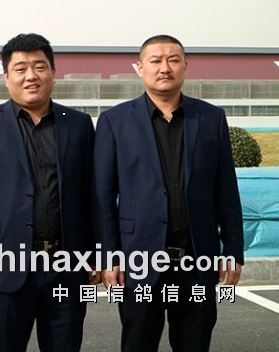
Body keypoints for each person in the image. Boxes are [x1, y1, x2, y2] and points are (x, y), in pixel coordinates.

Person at [94, 34, 244, 352]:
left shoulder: (211, 118)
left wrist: (233, 250)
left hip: (196, 260)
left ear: (185, 66)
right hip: (138, 261)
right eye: (156, 60)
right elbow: (103, 198)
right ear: (139, 68)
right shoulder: (114, 122)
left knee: (195, 343)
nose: (165, 67)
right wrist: (109, 255)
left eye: (173, 60)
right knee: (138, 343)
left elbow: (226, 192)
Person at [0, 33, 99, 352]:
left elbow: (92, 194)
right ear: (6, 76)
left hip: (67, 265)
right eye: (20, 68)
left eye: (39, 66)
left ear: (53, 72)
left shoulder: (78, 124)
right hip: (4, 265)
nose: (31, 76)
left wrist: (96, 253)